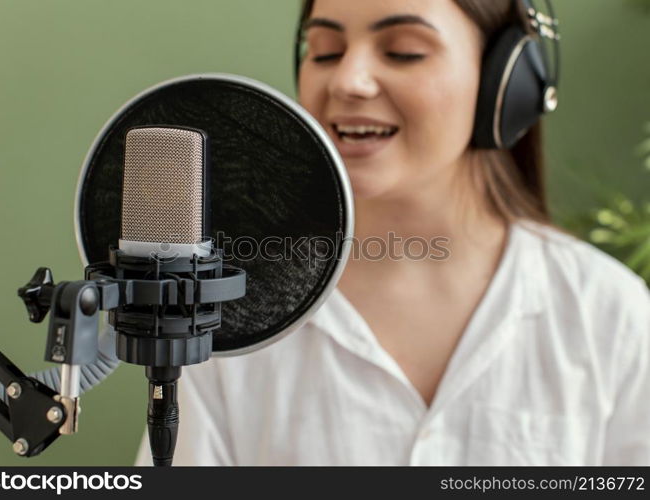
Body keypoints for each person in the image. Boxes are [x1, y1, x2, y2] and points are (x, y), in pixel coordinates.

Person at [135, 0, 650, 465]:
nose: (348, 81)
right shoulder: (225, 312)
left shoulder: (609, 313)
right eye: (326, 51)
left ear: (504, 83)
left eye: (403, 52)